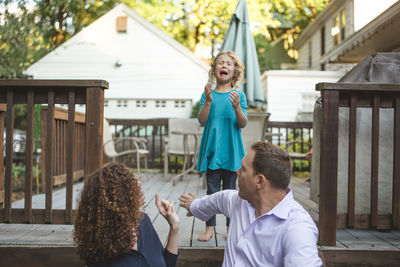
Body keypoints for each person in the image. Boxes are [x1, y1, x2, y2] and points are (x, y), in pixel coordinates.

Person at [179, 141, 322, 266]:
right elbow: (210, 202)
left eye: (244, 169)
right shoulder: (236, 201)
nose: (237, 171)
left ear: (260, 181)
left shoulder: (297, 227)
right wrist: (193, 205)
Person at [74, 162, 179, 267]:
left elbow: (167, 264)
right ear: (115, 198)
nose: (139, 183)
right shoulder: (100, 247)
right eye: (130, 182)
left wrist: (174, 227)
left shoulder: (142, 221)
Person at [196, 51, 248, 241]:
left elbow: (242, 123)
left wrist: (237, 108)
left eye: (228, 64)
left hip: (232, 153)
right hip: (212, 151)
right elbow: (202, 120)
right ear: (214, 69)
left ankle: (231, 227)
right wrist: (208, 101)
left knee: (231, 193)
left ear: (234, 71)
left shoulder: (239, 96)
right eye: (220, 63)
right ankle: (209, 228)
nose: (224, 66)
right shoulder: (208, 94)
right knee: (211, 192)